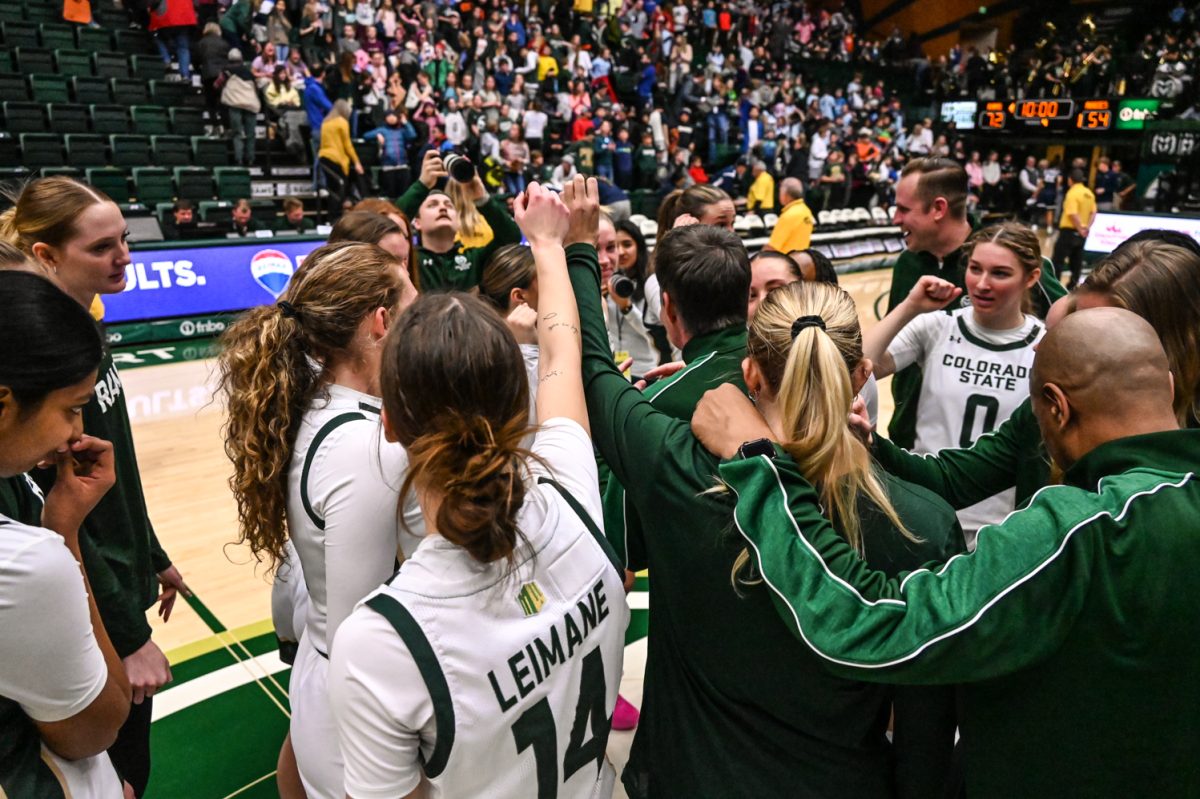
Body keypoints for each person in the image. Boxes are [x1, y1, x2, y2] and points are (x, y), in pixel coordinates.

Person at [697, 306, 1200, 799]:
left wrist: (759, 464)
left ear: (1055, 407)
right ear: (1170, 389)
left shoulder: (1073, 533)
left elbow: (866, 625)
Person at [567, 222, 961, 797]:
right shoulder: (925, 524)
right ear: (859, 377)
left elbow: (594, 370)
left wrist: (577, 247)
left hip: (690, 778)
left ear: (750, 374)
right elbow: (925, 733)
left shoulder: (676, 466)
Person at [328, 179, 630, 798]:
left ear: (388, 421)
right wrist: (552, 244)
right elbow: (562, 357)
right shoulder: (571, 485)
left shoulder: (382, 641)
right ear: (515, 402)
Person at [217, 242, 422, 799]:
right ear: (381, 322)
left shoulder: (321, 402)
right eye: (412, 306)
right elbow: (361, 625)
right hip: (357, 702)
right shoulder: (363, 445)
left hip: (326, 671)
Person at [1, 177, 185, 798]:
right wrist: (127, 633)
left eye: (125, 240)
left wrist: (152, 554)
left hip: (100, 580)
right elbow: (51, 526)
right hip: (80, 600)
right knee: (121, 767)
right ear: (47, 256)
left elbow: (115, 474)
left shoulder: (85, 334)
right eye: (101, 246)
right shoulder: (34, 369)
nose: (124, 257)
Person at [868, 238, 1200, 517]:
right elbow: (953, 479)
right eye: (1072, 319)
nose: (1056, 345)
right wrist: (868, 442)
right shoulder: (1046, 406)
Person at [0, 268, 131, 799]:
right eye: (72, 408)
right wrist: (63, 536)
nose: (77, 433)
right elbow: (97, 726)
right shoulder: (25, 563)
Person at [866, 222, 1046, 548]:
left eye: (1000, 273)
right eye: (975, 269)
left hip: (1000, 529)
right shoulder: (937, 327)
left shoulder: (1044, 347)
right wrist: (909, 307)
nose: (982, 283)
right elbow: (858, 368)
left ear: (1031, 278)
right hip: (924, 513)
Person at [886, 157, 1066, 448]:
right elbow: (883, 351)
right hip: (914, 441)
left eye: (904, 209)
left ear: (938, 209)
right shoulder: (907, 264)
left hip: (994, 453)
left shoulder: (1010, 256)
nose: (895, 218)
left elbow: (1074, 326)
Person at [395, 150, 523, 291]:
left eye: (449, 205)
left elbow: (511, 237)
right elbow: (386, 227)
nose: (443, 208)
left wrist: (483, 200)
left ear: (457, 222)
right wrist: (422, 185)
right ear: (417, 222)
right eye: (432, 205)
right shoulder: (408, 261)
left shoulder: (474, 259)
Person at [599, 213, 659, 380]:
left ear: (638, 246)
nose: (621, 252)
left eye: (627, 244)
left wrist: (626, 307)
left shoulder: (651, 284)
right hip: (615, 369)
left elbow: (652, 332)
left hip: (645, 370)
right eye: (614, 246)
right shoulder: (604, 281)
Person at [318, 100, 367, 209]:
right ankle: (339, 215)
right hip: (336, 159)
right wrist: (357, 162)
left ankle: (332, 216)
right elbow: (347, 145)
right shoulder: (342, 122)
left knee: (332, 190)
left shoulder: (325, 122)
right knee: (340, 190)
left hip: (324, 158)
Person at [1055, 169, 1097, 290]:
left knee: (1058, 260)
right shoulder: (1089, 193)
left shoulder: (1072, 193)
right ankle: (1072, 287)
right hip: (1082, 234)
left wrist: (1079, 228)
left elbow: (1072, 213)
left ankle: (1055, 286)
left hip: (1069, 231)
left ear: (1070, 180)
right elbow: (1093, 212)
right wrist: (1086, 228)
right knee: (1076, 262)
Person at [220, 49, 261, 168]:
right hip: (250, 104)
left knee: (237, 133)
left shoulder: (227, 71)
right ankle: (251, 159)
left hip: (234, 104)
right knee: (250, 133)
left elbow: (217, 84)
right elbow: (256, 87)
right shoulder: (248, 72)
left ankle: (239, 159)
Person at [362, 111, 417, 198]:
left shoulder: (402, 131)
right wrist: (377, 135)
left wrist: (406, 122)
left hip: (402, 165)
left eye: (393, 115)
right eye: (389, 116)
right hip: (388, 167)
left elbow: (413, 135)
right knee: (390, 193)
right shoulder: (382, 130)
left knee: (404, 193)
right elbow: (366, 135)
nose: (391, 118)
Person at [148, 0, 196, 81]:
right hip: (184, 16)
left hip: (166, 15)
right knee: (183, 48)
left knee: (157, 37)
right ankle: (185, 75)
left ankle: (166, 59)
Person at [765, 177, 815, 253]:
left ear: (785, 193)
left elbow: (773, 247)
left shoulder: (789, 215)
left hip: (786, 261)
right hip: (802, 258)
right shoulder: (806, 210)